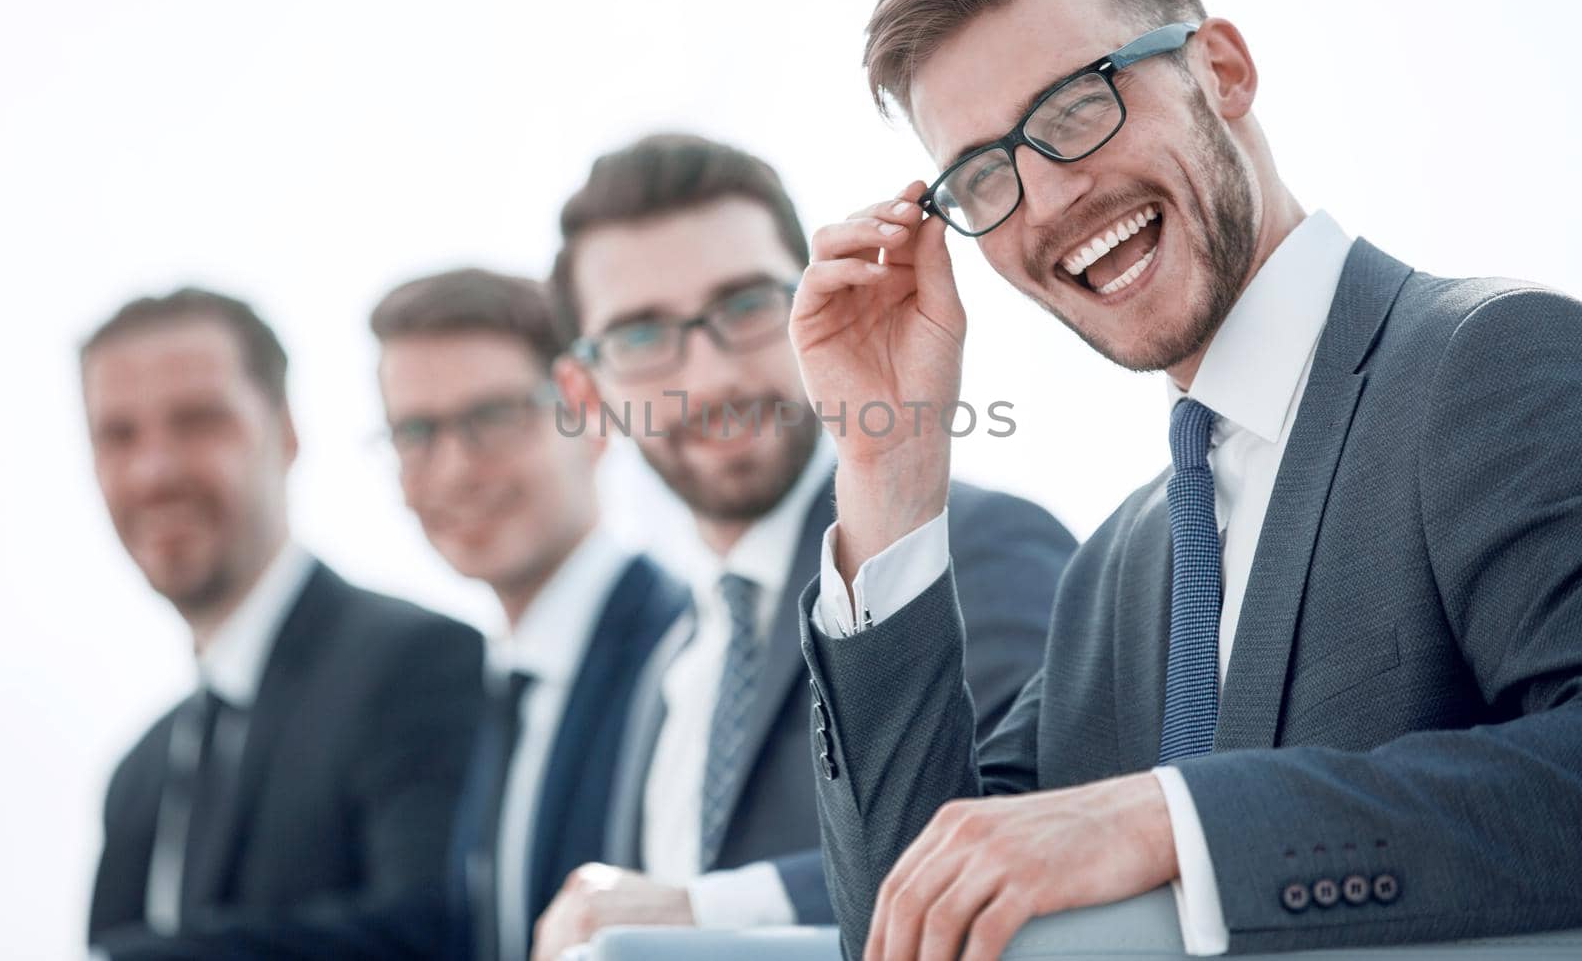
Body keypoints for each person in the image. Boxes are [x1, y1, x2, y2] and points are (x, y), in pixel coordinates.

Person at [791, 0, 1582, 961]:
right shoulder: (1111, 575)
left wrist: (1172, 818)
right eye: (981, 175)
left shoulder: (1487, 359)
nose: (1045, 200)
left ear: (1222, 69)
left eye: (1076, 105)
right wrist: (888, 466)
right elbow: (906, 916)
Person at [531, 133, 1077, 959]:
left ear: (817, 300)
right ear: (584, 389)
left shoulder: (979, 549)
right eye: (642, 338)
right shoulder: (668, 666)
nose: (711, 380)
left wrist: (700, 909)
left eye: (748, 309)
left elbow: (1040, 823)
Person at [82, 288, 484, 957]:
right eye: (117, 436)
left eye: (197, 422)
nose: (154, 471)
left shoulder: (416, 664)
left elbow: (427, 936)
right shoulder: (140, 774)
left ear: (287, 433)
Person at [371, 268, 687, 961]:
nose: (454, 469)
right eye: (416, 432)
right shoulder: (490, 687)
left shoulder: (685, 651)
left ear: (592, 414)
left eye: (492, 418)